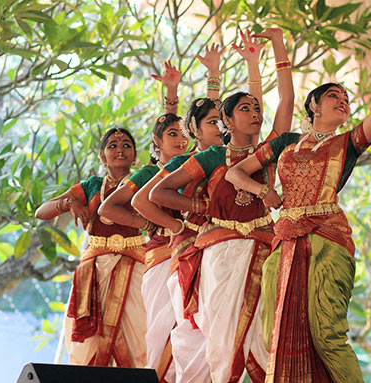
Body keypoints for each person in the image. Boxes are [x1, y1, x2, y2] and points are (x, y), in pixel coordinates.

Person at [225, 18, 371, 383]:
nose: (343, 102)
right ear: (314, 105)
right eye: (334, 97)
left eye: (346, 99)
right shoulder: (285, 144)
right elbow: (236, 173)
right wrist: (266, 191)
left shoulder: (349, 144)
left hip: (329, 238)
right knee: (273, 335)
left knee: (327, 335)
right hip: (285, 240)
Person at [150, 27, 294, 383]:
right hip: (220, 253)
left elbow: (288, 102)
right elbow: (158, 194)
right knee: (222, 341)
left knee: (264, 342)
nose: (255, 113)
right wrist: (196, 209)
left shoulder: (268, 151)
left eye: (257, 108)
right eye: (245, 109)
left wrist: (277, 47)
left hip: (264, 249)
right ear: (227, 121)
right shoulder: (213, 155)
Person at [133, 33, 262, 383]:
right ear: (193, 130)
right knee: (184, 334)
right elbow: (146, 197)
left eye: (223, 122)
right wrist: (184, 221)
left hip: (220, 247)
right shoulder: (193, 161)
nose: (220, 126)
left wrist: (217, 75)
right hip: (182, 253)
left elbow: (221, 119)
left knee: (219, 334)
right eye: (212, 123)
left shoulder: (227, 155)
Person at [100, 47, 223, 383]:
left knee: (204, 333)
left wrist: (212, 76)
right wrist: (162, 224)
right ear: (156, 141)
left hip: (203, 252)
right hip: (162, 258)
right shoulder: (149, 174)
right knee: (162, 338)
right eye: (173, 135)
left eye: (184, 133)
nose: (181, 138)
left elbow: (209, 125)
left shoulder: (196, 164)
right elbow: (109, 208)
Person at [35, 127, 147, 367]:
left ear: (135, 155)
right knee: (89, 343)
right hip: (94, 271)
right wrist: (68, 202)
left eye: (127, 145)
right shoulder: (91, 186)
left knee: (137, 336)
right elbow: (41, 212)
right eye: (112, 146)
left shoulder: (144, 180)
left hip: (135, 267)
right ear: (101, 155)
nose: (120, 150)